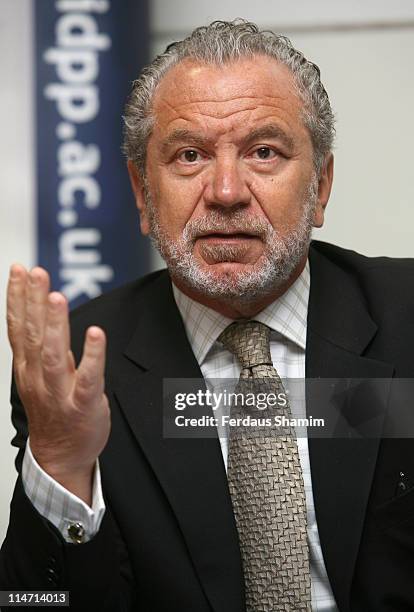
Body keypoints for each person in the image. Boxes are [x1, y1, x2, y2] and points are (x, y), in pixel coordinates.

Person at [1, 19, 414, 612]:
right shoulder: (82, 362)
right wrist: (62, 467)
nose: (225, 191)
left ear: (320, 185)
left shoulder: (406, 319)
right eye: (189, 155)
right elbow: (30, 601)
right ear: (143, 193)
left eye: (263, 152)